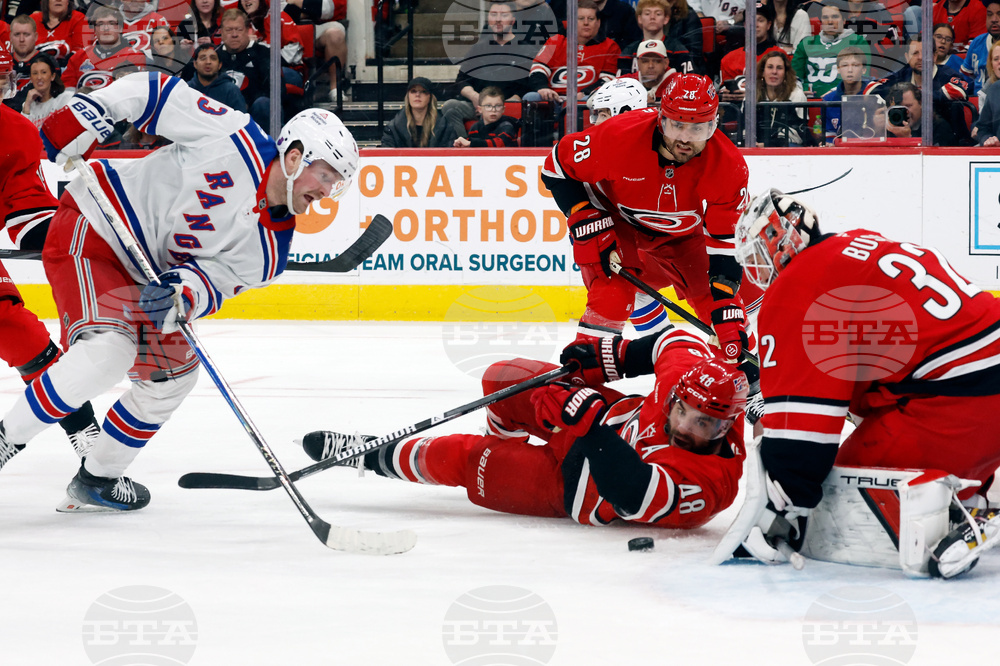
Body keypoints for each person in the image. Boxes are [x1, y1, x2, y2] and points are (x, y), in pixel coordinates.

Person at [0, 71, 360, 512]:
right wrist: (91, 113)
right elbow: (154, 92)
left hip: (146, 275)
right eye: (324, 175)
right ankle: (7, 440)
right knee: (109, 352)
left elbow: (212, 283)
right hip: (97, 228)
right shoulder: (233, 136)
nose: (326, 192)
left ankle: (97, 477)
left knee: (172, 378)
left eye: (335, 184)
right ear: (296, 155)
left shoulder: (270, 252)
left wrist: (182, 294)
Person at [723, 187, 1000, 568]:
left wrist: (779, 511)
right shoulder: (859, 244)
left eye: (758, 255)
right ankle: (973, 494)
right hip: (973, 383)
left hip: (964, 405)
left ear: (781, 240)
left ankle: (950, 520)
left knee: (837, 493)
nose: (758, 270)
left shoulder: (798, 283)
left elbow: (803, 445)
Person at [298, 327, 750, 531]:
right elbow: (678, 340)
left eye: (705, 423)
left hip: (569, 488)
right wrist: (611, 358)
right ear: (674, 396)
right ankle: (506, 442)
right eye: (683, 411)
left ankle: (369, 454)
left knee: (465, 458)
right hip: (595, 415)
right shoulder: (687, 379)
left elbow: (631, 493)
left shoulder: (713, 483)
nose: (687, 427)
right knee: (501, 377)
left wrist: (588, 422)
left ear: (726, 427)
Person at [540, 73, 761, 381]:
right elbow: (556, 167)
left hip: (685, 239)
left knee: (724, 318)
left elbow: (725, 241)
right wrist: (582, 214)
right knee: (611, 294)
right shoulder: (619, 135)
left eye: (698, 128)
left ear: (714, 124)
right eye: (676, 125)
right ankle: (586, 374)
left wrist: (725, 297)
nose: (685, 138)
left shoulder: (729, 166)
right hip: (618, 225)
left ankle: (748, 386)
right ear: (660, 118)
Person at [0, 52, 101, 466]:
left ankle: (87, 436)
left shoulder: (13, 131)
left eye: (4, 74)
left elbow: (27, 217)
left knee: (17, 331)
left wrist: (86, 235)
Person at [441, 0, 541, 140]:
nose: (498, 19)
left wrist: (496, 106)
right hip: (478, 105)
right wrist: (476, 97)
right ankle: (464, 148)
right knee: (450, 107)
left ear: (513, 20)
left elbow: (529, 86)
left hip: (508, 107)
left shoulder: (526, 50)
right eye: (494, 14)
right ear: (488, 19)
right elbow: (461, 81)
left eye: (504, 15)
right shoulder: (479, 48)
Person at [525, 0, 620, 105]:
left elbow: (608, 80)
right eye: (580, 18)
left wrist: (585, 93)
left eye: (591, 19)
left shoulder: (610, 46)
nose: (586, 23)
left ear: (598, 22)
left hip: (585, 99)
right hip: (553, 99)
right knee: (531, 97)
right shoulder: (555, 41)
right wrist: (542, 88)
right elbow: (537, 69)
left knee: (589, 101)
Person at [792, 2, 871, 97]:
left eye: (835, 17)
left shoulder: (858, 42)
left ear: (844, 20)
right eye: (825, 17)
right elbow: (794, 78)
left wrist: (836, 92)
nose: (830, 22)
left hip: (842, 101)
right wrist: (799, 92)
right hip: (807, 103)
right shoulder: (806, 43)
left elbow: (863, 77)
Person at [62, 5, 147, 92]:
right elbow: (66, 94)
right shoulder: (79, 57)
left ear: (120, 28)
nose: (106, 28)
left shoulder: (135, 57)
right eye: (100, 24)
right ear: (95, 29)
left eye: (111, 23)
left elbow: (134, 93)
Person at [755, 49, 814, 146]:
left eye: (779, 68)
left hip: (788, 147)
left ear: (786, 73)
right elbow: (745, 128)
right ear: (762, 72)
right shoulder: (752, 94)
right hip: (756, 146)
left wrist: (766, 145)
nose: (774, 72)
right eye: (770, 67)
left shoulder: (796, 94)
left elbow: (797, 135)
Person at [821, 45, 880, 142]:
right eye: (845, 65)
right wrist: (830, 143)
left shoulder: (875, 95)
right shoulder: (828, 100)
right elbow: (829, 135)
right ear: (838, 69)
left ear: (864, 69)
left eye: (855, 65)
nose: (850, 70)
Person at [381, 77, 459, 148]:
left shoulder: (445, 128)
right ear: (408, 96)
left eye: (423, 91)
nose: (417, 95)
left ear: (430, 97)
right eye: (413, 91)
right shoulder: (393, 128)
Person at [187, 42, 246, 111]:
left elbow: (241, 120)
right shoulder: (187, 89)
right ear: (195, 64)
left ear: (219, 65)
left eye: (213, 58)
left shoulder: (231, 91)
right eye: (203, 58)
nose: (208, 62)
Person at [453, 86, 519, 148]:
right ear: (480, 109)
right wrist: (462, 144)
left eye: (498, 106)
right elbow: (470, 146)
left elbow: (499, 144)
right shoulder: (475, 127)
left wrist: (471, 144)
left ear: (503, 109)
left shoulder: (507, 126)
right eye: (488, 106)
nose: (493, 110)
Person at [618, 39, 679, 105]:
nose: (650, 66)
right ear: (638, 63)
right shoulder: (626, 83)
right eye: (645, 61)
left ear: (666, 63)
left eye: (656, 61)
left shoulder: (679, 83)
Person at [20, 52, 71, 126]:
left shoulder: (66, 98)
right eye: (35, 73)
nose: (39, 77)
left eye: (43, 72)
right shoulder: (28, 105)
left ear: (52, 76)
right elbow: (23, 132)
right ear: (31, 78)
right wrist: (27, 105)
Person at [961, 1, 1000, 95]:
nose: (994, 19)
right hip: (977, 103)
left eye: (999, 14)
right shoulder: (977, 43)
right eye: (989, 14)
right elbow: (965, 79)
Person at [31, 0, 85, 64]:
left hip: (66, 68)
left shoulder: (79, 18)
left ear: (68, 1)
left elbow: (80, 51)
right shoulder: (33, 19)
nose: (58, 0)